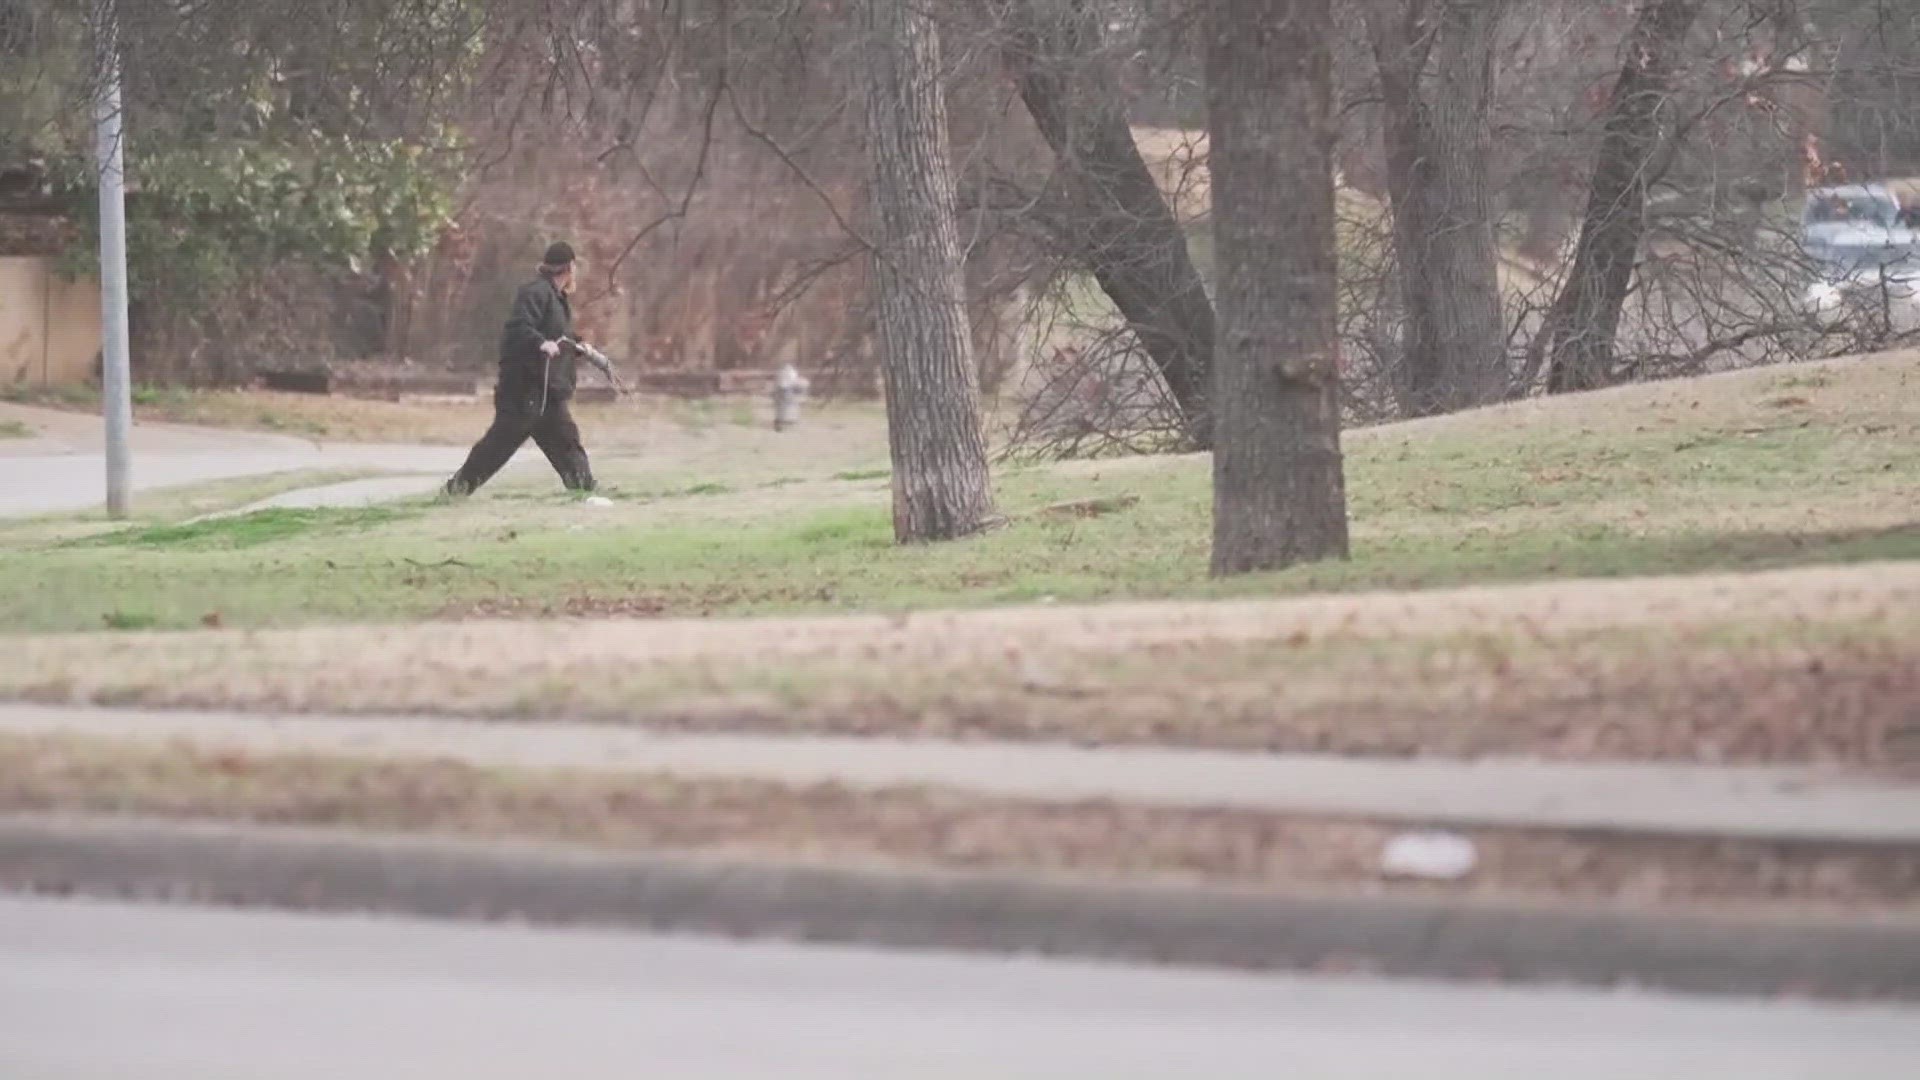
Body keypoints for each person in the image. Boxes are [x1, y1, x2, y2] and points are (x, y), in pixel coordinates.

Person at [443, 242, 604, 497]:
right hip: (523, 391)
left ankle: (585, 489)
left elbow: (557, 334)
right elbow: (519, 328)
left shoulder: (557, 299)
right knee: (497, 447)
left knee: (567, 442)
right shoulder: (535, 292)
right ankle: (457, 490)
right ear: (568, 268)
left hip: (545, 393)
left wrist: (577, 345)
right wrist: (541, 343)